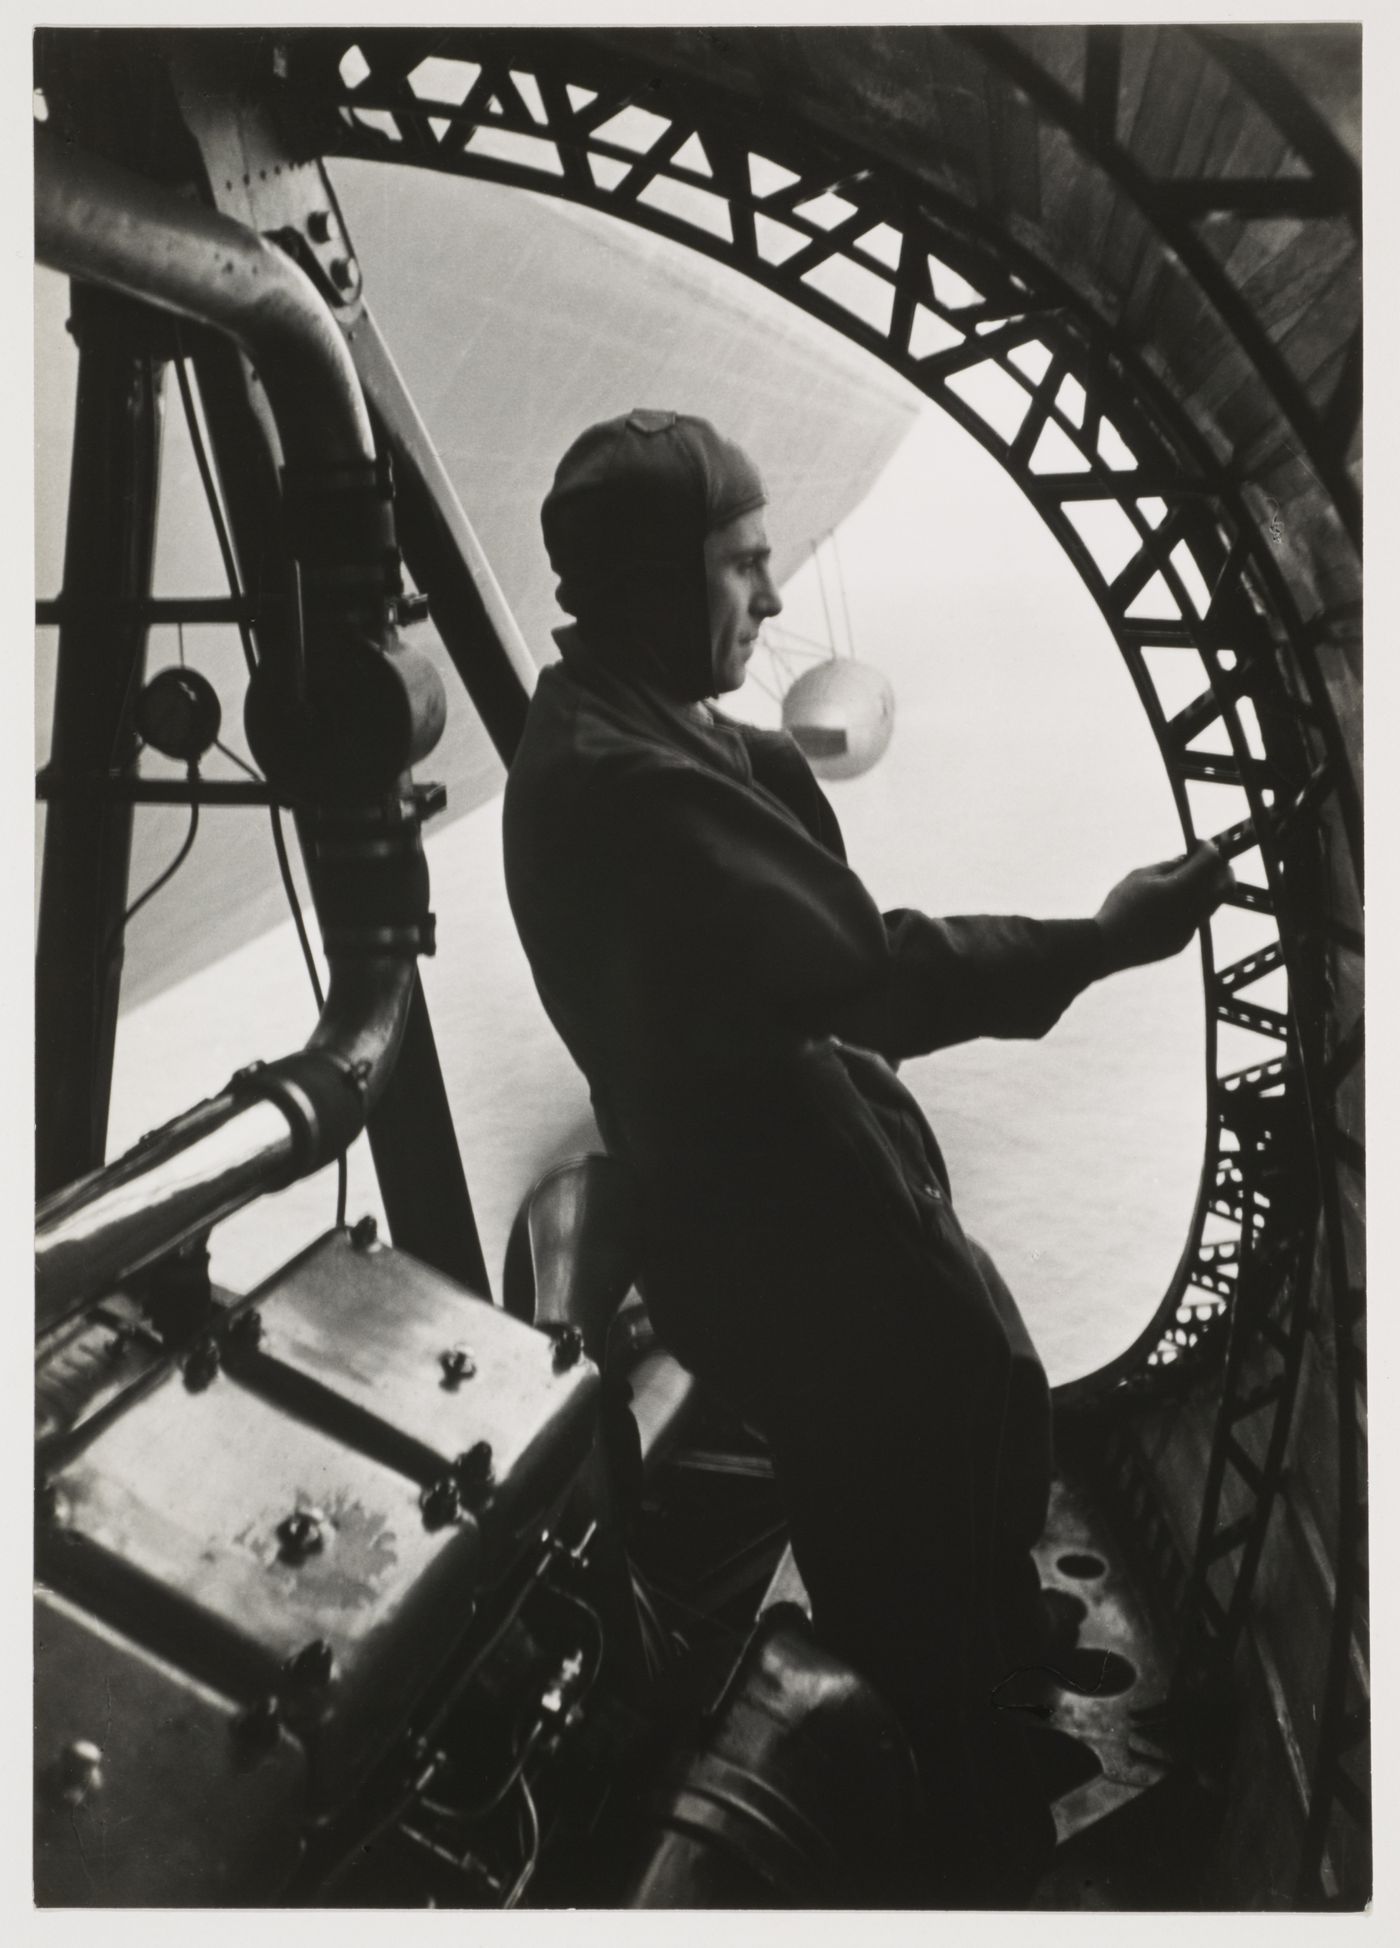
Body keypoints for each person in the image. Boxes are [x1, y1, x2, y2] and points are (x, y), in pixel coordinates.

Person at [502, 408, 1231, 1897]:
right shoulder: (631, 791)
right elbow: (868, 975)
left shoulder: (628, 724)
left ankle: (985, 1663)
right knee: (896, 1498)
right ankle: (966, 1798)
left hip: (793, 1189)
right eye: (746, 566)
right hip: (788, 1228)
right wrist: (1101, 941)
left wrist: (754, 750)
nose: (774, 600)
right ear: (648, 582)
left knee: (979, 1398)